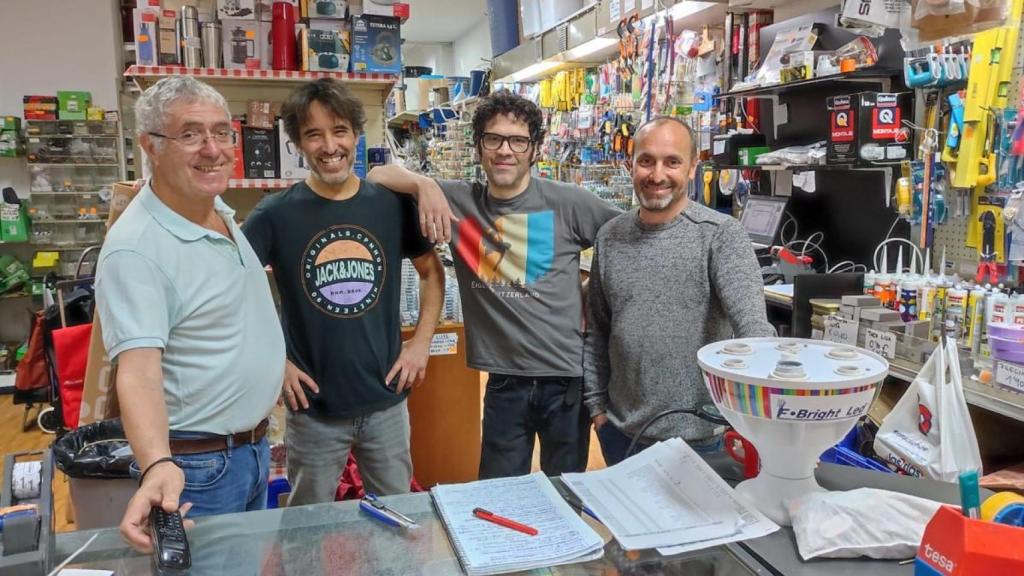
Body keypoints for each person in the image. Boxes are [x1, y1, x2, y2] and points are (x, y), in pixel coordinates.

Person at [367, 91, 621, 479]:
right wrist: (423, 185)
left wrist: (593, 293)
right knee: (499, 498)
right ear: (479, 147)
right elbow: (375, 176)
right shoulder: (457, 202)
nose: (505, 150)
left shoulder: (569, 202)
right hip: (504, 382)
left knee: (566, 496)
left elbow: (628, 238)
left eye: (518, 141)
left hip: (567, 379)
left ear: (534, 149)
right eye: (494, 139)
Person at [95, 76, 286, 552]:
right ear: (150, 146)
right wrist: (158, 464)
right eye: (190, 134)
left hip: (248, 450)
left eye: (223, 132)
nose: (214, 149)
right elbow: (137, 373)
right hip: (198, 470)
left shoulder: (212, 206)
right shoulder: (136, 249)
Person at [242, 78, 445, 505]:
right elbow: (231, 290)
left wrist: (421, 344)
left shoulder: (389, 204)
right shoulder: (275, 214)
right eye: (313, 134)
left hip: (386, 402)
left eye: (339, 131)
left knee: (399, 518)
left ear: (355, 134)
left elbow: (431, 273)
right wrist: (273, 361)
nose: (329, 146)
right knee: (306, 529)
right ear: (298, 143)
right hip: (313, 411)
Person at [583, 116, 774, 466]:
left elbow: (754, 332)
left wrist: (761, 425)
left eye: (672, 161)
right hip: (622, 435)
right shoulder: (610, 237)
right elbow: (598, 330)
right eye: (646, 161)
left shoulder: (720, 235)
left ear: (691, 169)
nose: (657, 175)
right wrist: (598, 411)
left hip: (703, 442)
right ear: (631, 165)